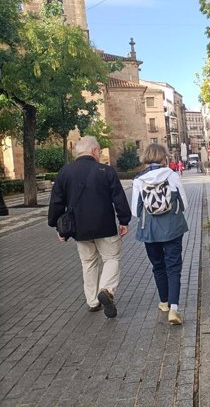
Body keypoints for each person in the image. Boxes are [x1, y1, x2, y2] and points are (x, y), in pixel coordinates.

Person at [48, 136, 131, 318]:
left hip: (79, 228)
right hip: (105, 225)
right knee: (111, 258)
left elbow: (56, 202)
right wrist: (124, 220)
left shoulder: (65, 172)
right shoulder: (105, 171)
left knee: (88, 262)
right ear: (94, 151)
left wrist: (57, 226)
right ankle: (107, 290)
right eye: (99, 151)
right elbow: (118, 198)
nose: (100, 154)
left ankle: (93, 301)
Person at [131, 144, 189, 325]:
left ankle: (164, 302)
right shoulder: (171, 176)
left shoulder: (139, 180)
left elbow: (135, 211)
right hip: (172, 229)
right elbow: (185, 204)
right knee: (173, 267)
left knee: (158, 266)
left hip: (149, 231)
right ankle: (174, 309)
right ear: (164, 158)